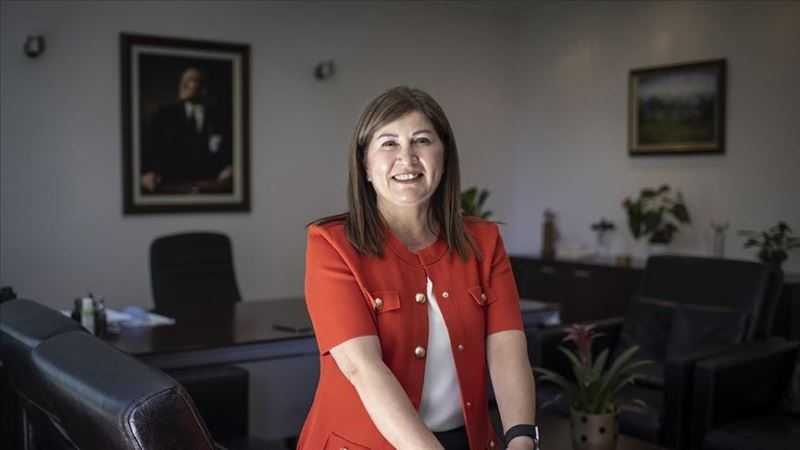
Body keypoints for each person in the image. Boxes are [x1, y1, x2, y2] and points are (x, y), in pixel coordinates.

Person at [299, 87, 538, 449]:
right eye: (388, 143)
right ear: (365, 165)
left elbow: (507, 347)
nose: (407, 158)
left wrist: (521, 438)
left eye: (422, 140)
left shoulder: (484, 241)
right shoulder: (332, 244)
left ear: (444, 155)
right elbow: (362, 368)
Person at [140, 67, 233, 194]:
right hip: (169, 183)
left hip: (209, 184)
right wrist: (148, 172)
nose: (183, 85)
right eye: (182, 81)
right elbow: (150, 146)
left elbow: (231, 149)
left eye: (190, 80)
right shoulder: (164, 114)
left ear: (204, 88)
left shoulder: (219, 116)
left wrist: (231, 167)